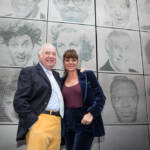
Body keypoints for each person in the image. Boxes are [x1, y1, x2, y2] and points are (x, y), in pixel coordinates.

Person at [13, 43, 64, 150]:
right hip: (39, 122)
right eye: (47, 53)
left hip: (57, 124)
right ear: (39, 56)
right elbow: (19, 101)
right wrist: (33, 122)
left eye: (54, 54)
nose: (51, 56)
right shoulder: (29, 72)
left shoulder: (56, 75)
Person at [61, 49, 106, 150]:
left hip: (84, 121)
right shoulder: (61, 81)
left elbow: (101, 97)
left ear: (77, 61)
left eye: (73, 60)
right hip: (68, 124)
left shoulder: (87, 75)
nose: (70, 62)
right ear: (63, 62)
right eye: (67, 60)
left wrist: (91, 114)